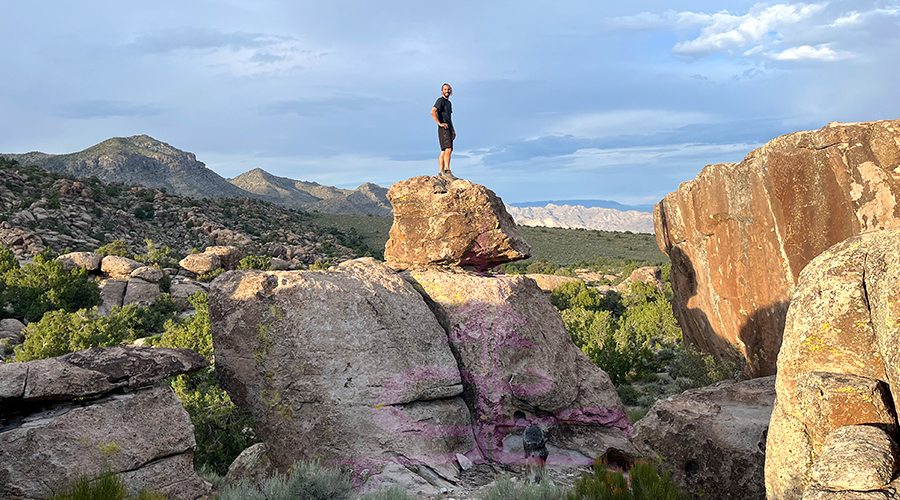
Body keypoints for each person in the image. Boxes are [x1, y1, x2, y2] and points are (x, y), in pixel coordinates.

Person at [431, 83, 457, 179]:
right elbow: (433, 111)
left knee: (443, 150)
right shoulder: (440, 101)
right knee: (448, 149)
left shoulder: (449, 103)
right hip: (443, 128)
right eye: (445, 89)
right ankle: (447, 170)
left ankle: (441, 172)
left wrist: (453, 130)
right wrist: (439, 123)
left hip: (449, 128)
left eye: (449, 89)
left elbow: (449, 118)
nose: (447, 91)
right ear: (442, 91)